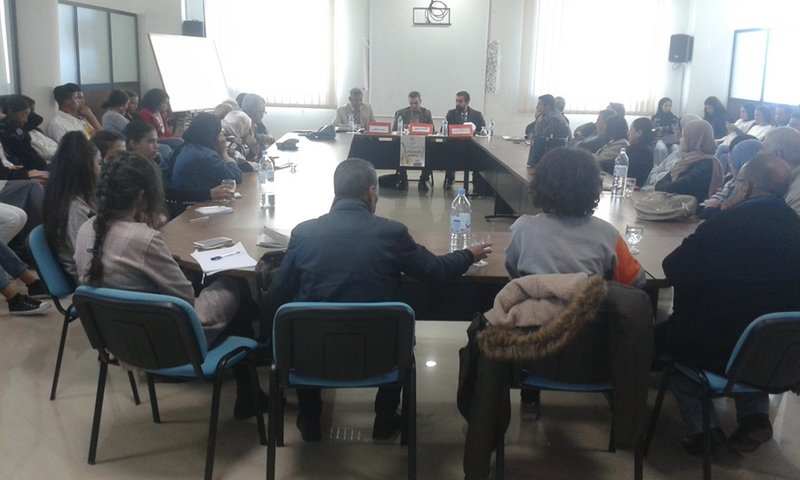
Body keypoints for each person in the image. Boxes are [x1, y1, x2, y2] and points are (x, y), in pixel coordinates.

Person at [265, 157, 490, 443]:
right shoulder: (391, 233)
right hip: (382, 355)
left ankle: (310, 418)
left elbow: (277, 296)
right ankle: (385, 417)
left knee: (303, 324)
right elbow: (436, 271)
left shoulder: (303, 233)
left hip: (312, 354)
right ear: (371, 192)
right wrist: (468, 254)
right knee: (399, 333)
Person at [73, 151, 266, 419]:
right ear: (143, 195)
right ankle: (250, 385)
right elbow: (185, 297)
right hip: (168, 340)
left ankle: (248, 376)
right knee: (234, 284)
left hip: (117, 339)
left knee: (216, 284)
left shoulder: (86, 229)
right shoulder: (143, 238)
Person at [655, 154, 800, 456]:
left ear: (748, 186)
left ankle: (704, 432)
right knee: (751, 349)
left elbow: (673, 268)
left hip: (714, 345)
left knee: (667, 353)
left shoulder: (727, 224)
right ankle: (755, 416)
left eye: (738, 181)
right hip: (780, 353)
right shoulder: (795, 226)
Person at [503, 146, 645, 448]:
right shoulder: (608, 234)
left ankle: (530, 399)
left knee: (534, 309)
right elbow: (635, 283)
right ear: (593, 188)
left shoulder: (523, 229)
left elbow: (514, 273)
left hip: (534, 352)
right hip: (592, 355)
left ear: (540, 185)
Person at [42, 131, 100, 281]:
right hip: (91, 281)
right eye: (99, 163)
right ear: (87, 168)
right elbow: (85, 260)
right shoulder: (74, 209)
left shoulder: (81, 197)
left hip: (97, 272)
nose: (102, 168)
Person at [168, 112, 242, 194]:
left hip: (182, 198)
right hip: (193, 200)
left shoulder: (185, 147)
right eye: (219, 131)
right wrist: (223, 152)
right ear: (214, 134)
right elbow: (235, 177)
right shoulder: (205, 155)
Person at [655, 119, 723, 204]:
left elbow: (676, 189)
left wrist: (666, 185)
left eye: (684, 137)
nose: (680, 140)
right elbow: (659, 184)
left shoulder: (705, 165)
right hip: (676, 204)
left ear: (694, 140)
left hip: (689, 209)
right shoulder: (686, 159)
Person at [702, 137, 760, 215]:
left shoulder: (745, 191)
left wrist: (710, 208)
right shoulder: (731, 181)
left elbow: (726, 216)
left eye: (732, 164)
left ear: (741, 165)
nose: (730, 169)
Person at [392, 91, 434, 191]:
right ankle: (403, 179)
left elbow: (432, 130)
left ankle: (423, 180)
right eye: (411, 103)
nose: (413, 105)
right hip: (406, 142)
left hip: (422, 143)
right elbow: (394, 130)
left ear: (420, 102)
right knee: (398, 150)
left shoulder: (426, 113)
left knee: (431, 152)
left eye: (416, 103)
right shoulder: (401, 113)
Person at [444, 91, 486, 189]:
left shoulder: (477, 115)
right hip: (455, 145)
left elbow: (483, 131)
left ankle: (477, 183)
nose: (457, 103)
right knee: (448, 152)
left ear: (467, 102)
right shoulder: (451, 113)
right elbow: (444, 130)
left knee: (480, 157)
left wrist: (474, 131)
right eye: (456, 101)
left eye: (460, 101)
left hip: (472, 146)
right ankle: (450, 179)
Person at [0, 95, 49, 172]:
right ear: (10, 112)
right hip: (25, 168)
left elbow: (38, 119)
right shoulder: (10, 130)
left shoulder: (19, 128)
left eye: (27, 115)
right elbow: (25, 155)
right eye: (22, 115)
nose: (26, 120)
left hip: (34, 165)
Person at [761, 127, 800, 216]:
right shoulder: (789, 180)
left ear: (776, 155)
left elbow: (789, 223)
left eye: (763, 150)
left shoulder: (796, 194)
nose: (760, 156)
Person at [527, 94, 570, 167]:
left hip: (554, 160)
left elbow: (540, 136)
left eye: (539, 105)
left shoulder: (555, 119)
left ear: (548, 107)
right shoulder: (547, 116)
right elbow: (529, 129)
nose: (537, 107)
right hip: (549, 155)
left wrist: (538, 120)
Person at [625, 117, 656, 187]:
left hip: (635, 189)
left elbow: (623, 167)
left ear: (639, 133)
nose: (628, 133)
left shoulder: (643, 152)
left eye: (631, 130)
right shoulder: (635, 147)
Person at [652, 97, 679, 163]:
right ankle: (664, 166)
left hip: (672, 140)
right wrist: (667, 128)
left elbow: (674, 129)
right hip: (659, 139)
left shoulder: (674, 117)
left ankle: (673, 166)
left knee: (676, 148)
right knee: (662, 148)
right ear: (661, 106)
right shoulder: (655, 117)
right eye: (666, 106)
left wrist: (662, 128)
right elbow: (655, 130)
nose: (668, 108)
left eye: (670, 106)